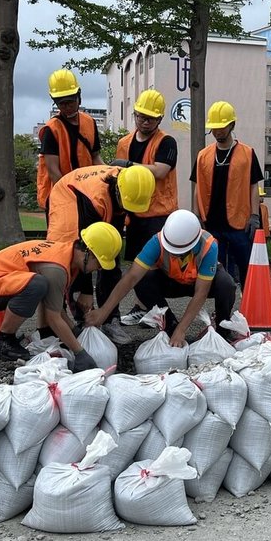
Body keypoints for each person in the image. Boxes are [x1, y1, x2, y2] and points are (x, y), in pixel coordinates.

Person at [0, 222, 123, 371]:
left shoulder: (67, 255)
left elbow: (53, 303)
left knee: (41, 285)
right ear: (88, 253)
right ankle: (3, 339)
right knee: (37, 284)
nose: (98, 269)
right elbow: (53, 317)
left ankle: (42, 333)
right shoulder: (57, 269)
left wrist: (74, 331)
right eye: (99, 263)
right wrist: (80, 353)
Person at [85, 210, 237, 348]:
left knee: (226, 285)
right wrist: (104, 311)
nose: (174, 254)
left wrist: (183, 329)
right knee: (143, 281)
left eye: (179, 252)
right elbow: (131, 277)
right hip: (171, 282)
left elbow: (201, 293)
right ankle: (170, 326)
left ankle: (223, 331)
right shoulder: (157, 242)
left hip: (200, 283)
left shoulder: (208, 245)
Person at [46, 164, 156, 343]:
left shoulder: (134, 184)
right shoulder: (94, 199)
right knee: (70, 256)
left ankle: (110, 319)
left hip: (101, 199)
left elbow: (109, 251)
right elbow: (85, 250)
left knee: (110, 254)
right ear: (118, 191)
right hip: (69, 196)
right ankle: (78, 321)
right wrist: (86, 290)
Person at [114, 90, 179, 326]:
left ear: (159, 119)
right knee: (136, 263)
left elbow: (161, 170)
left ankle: (157, 311)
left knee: (153, 264)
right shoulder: (124, 143)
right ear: (135, 114)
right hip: (134, 214)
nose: (145, 121)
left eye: (150, 118)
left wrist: (130, 165)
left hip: (159, 214)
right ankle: (143, 307)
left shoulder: (166, 142)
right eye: (141, 116)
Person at [191, 101, 264, 289]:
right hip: (212, 225)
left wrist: (254, 216)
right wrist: (196, 216)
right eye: (214, 128)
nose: (217, 132)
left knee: (247, 268)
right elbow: (197, 186)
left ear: (232, 125)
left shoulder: (247, 153)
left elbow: (253, 186)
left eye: (221, 127)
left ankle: (250, 309)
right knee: (219, 274)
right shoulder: (203, 156)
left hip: (240, 225)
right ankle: (222, 312)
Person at [36, 69, 103, 215]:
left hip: (87, 192)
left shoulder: (90, 122)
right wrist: (72, 197)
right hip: (59, 198)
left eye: (71, 101)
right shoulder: (51, 129)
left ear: (79, 96)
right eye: (62, 103)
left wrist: (108, 175)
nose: (67, 107)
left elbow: (95, 157)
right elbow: (54, 171)